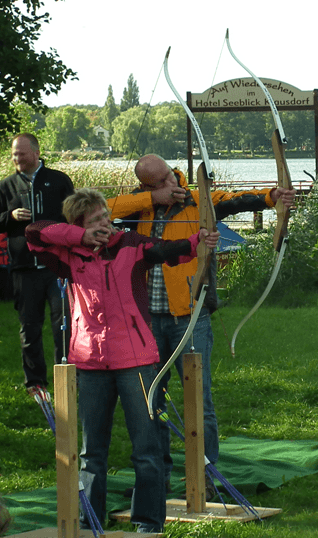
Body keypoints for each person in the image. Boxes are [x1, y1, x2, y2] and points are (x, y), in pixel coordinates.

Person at [26, 188, 219, 534]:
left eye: (105, 215)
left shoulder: (129, 244)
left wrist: (198, 240)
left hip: (136, 361)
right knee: (90, 453)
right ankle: (89, 523)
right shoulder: (68, 254)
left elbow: (168, 250)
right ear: (79, 226)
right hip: (88, 362)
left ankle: (148, 524)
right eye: (96, 219)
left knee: (146, 449)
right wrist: (80, 237)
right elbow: (33, 233)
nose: (105, 223)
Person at [107, 154, 295, 496]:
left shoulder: (197, 199)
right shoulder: (139, 208)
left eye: (170, 177)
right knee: (153, 400)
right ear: (147, 187)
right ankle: (157, 476)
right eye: (160, 183)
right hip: (148, 320)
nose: (170, 185)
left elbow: (238, 200)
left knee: (200, 400)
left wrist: (273, 196)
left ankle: (205, 475)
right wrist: (151, 199)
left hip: (190, 317)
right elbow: (102, 211)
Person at [0, 133, 74, 396]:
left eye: (20, 153)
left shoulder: (58, 180)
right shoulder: (6, 185)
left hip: (56, 267)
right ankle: (35, 383)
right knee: (29, 328)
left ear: (35, 152)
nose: (15, 158)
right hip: (23, 270)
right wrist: (10, 216)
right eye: (13, 154)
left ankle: (65, 375)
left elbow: (75, 217)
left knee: (62, 325)